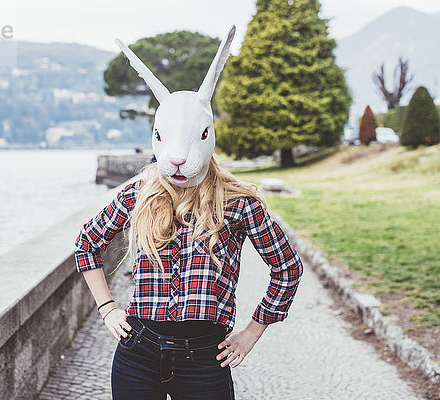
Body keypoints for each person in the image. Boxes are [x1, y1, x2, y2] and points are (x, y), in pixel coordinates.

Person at [73, 25, 303, 400]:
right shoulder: (139, 194)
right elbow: (86, 245)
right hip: (137, 352)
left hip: (205, 362)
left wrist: (252, 331)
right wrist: (107, 308)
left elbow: (288, 267)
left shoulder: (238, 203)